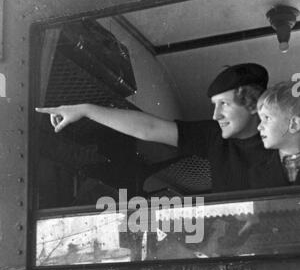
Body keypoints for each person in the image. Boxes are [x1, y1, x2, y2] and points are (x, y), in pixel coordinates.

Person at [35, 63, 289, 192]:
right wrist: (86, 110)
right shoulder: (213, 136)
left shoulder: (287, 144)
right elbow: (149, 128)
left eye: (224, 104)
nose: (216, 114)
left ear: (254, 105)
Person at [257, 80, 300, 184]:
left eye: (267, 118)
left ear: (294, 124)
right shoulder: (256, 171)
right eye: (260, 119)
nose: (259, 127)